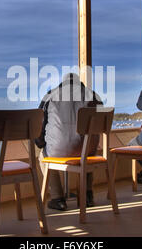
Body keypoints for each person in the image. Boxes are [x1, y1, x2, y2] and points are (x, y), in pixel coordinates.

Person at [36, 73, 102, 211]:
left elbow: (39, 124)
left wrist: (40, 143)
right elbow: (100, 126)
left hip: (58, 149)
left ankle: (57, 198)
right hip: (87, 149)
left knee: (43, 156)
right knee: (87, 153)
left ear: (63, 83)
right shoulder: (94, 96)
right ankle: (87, 196)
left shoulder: (50, 95)